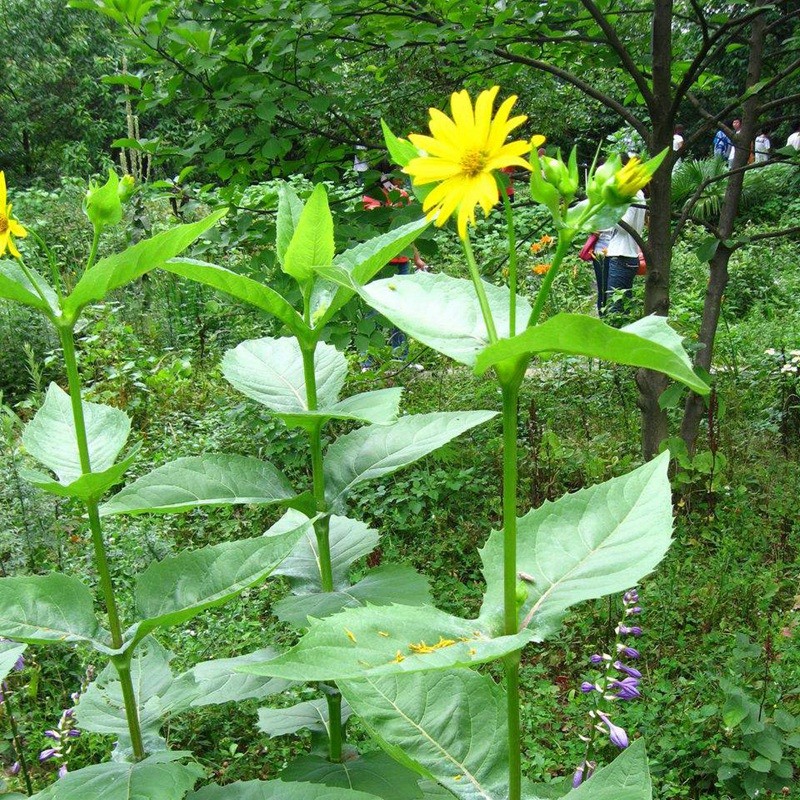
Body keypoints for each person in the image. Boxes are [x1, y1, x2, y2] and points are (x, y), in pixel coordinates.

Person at [603, 156, 646, 318]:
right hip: (625, 255)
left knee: (615, 310)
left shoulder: (631, 192)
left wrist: (609, 207)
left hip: (622, 256)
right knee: (622, 307)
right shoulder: (637, 192)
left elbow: (624, 226)